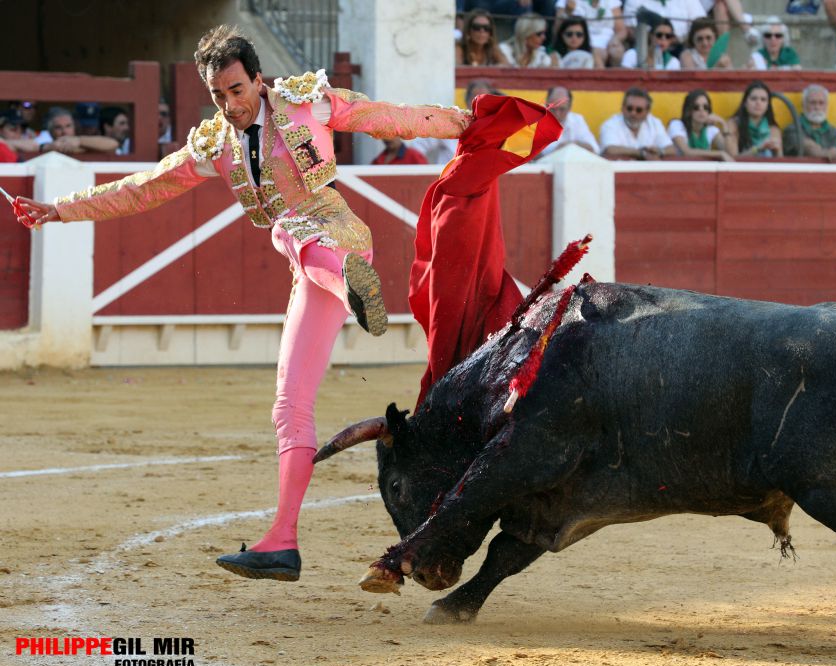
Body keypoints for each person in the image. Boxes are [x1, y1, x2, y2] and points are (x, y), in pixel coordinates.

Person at [15, 24, 472, 582]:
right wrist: (61, 210)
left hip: (338, 237)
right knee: (289, 405)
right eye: (218, 95)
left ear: (258, 79)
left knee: (286, 229)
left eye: (236, 90)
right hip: (310, 268)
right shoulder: (215, 146)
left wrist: (464, 123)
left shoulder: (305, 103)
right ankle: (282, 541)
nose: (230, 104)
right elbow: (147, 186)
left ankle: (352, 286)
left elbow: (388, 117)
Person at [599, 87, 674, 160]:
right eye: (629, 108)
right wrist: (641, 153)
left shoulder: (655, 123)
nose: (633, 113)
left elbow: (671, 149)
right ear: (622, 108)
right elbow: (610, 149)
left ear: (647, 112)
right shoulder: (610, 124)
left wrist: (660, 151)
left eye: (639, 110)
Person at [554, 0, 626, 67]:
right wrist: (567, 13)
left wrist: (615, 40)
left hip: (609, 41)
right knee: (597, 54)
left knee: (617, 52)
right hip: (582, 40)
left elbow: (621, 30)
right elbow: (556, 30)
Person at [782, 84, 836, 160]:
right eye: (813, 103)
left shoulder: (833, 132)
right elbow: (809, 150)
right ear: (803, 105)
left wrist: (832, 153)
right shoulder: (792, 129)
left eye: (821, 103)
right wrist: (827, 153)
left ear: (826, 106)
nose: (817, 107)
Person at [668, 89, 732, 161]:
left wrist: (724, 124)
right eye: (696, 107)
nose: (702, 110)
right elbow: (687, 152)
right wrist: (719, 154)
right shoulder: (677, 125)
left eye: (705, 107)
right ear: (688, 110)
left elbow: (730, 154)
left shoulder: (711, 130)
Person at [723, 80, 782, 158]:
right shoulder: (733, 124)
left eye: (763, 100)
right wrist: (758, 149)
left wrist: (777, 151)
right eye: (753, 99)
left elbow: (780, 161)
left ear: (768, 106)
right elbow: (731, 159)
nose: (758, 103)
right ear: (745, 103)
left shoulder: (773, 129)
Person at [538, 85, 599, 156]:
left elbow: (594, 149)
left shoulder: (577, 120)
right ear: (546, 105)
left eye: (562, 109)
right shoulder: (535, 120)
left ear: (569, 108)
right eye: (553, 109)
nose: (557, 114)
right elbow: (537, 154)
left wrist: (572, 145)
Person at [36, 106, 120, 154]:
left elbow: (113, 144)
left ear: (74, 126)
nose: (64, 131)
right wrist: (46, 147)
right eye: (58, 127)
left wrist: (79, 141)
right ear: (50, 131)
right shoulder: (45, 142)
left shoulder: (83, 143)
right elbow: (30, 145)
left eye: (68, 126)